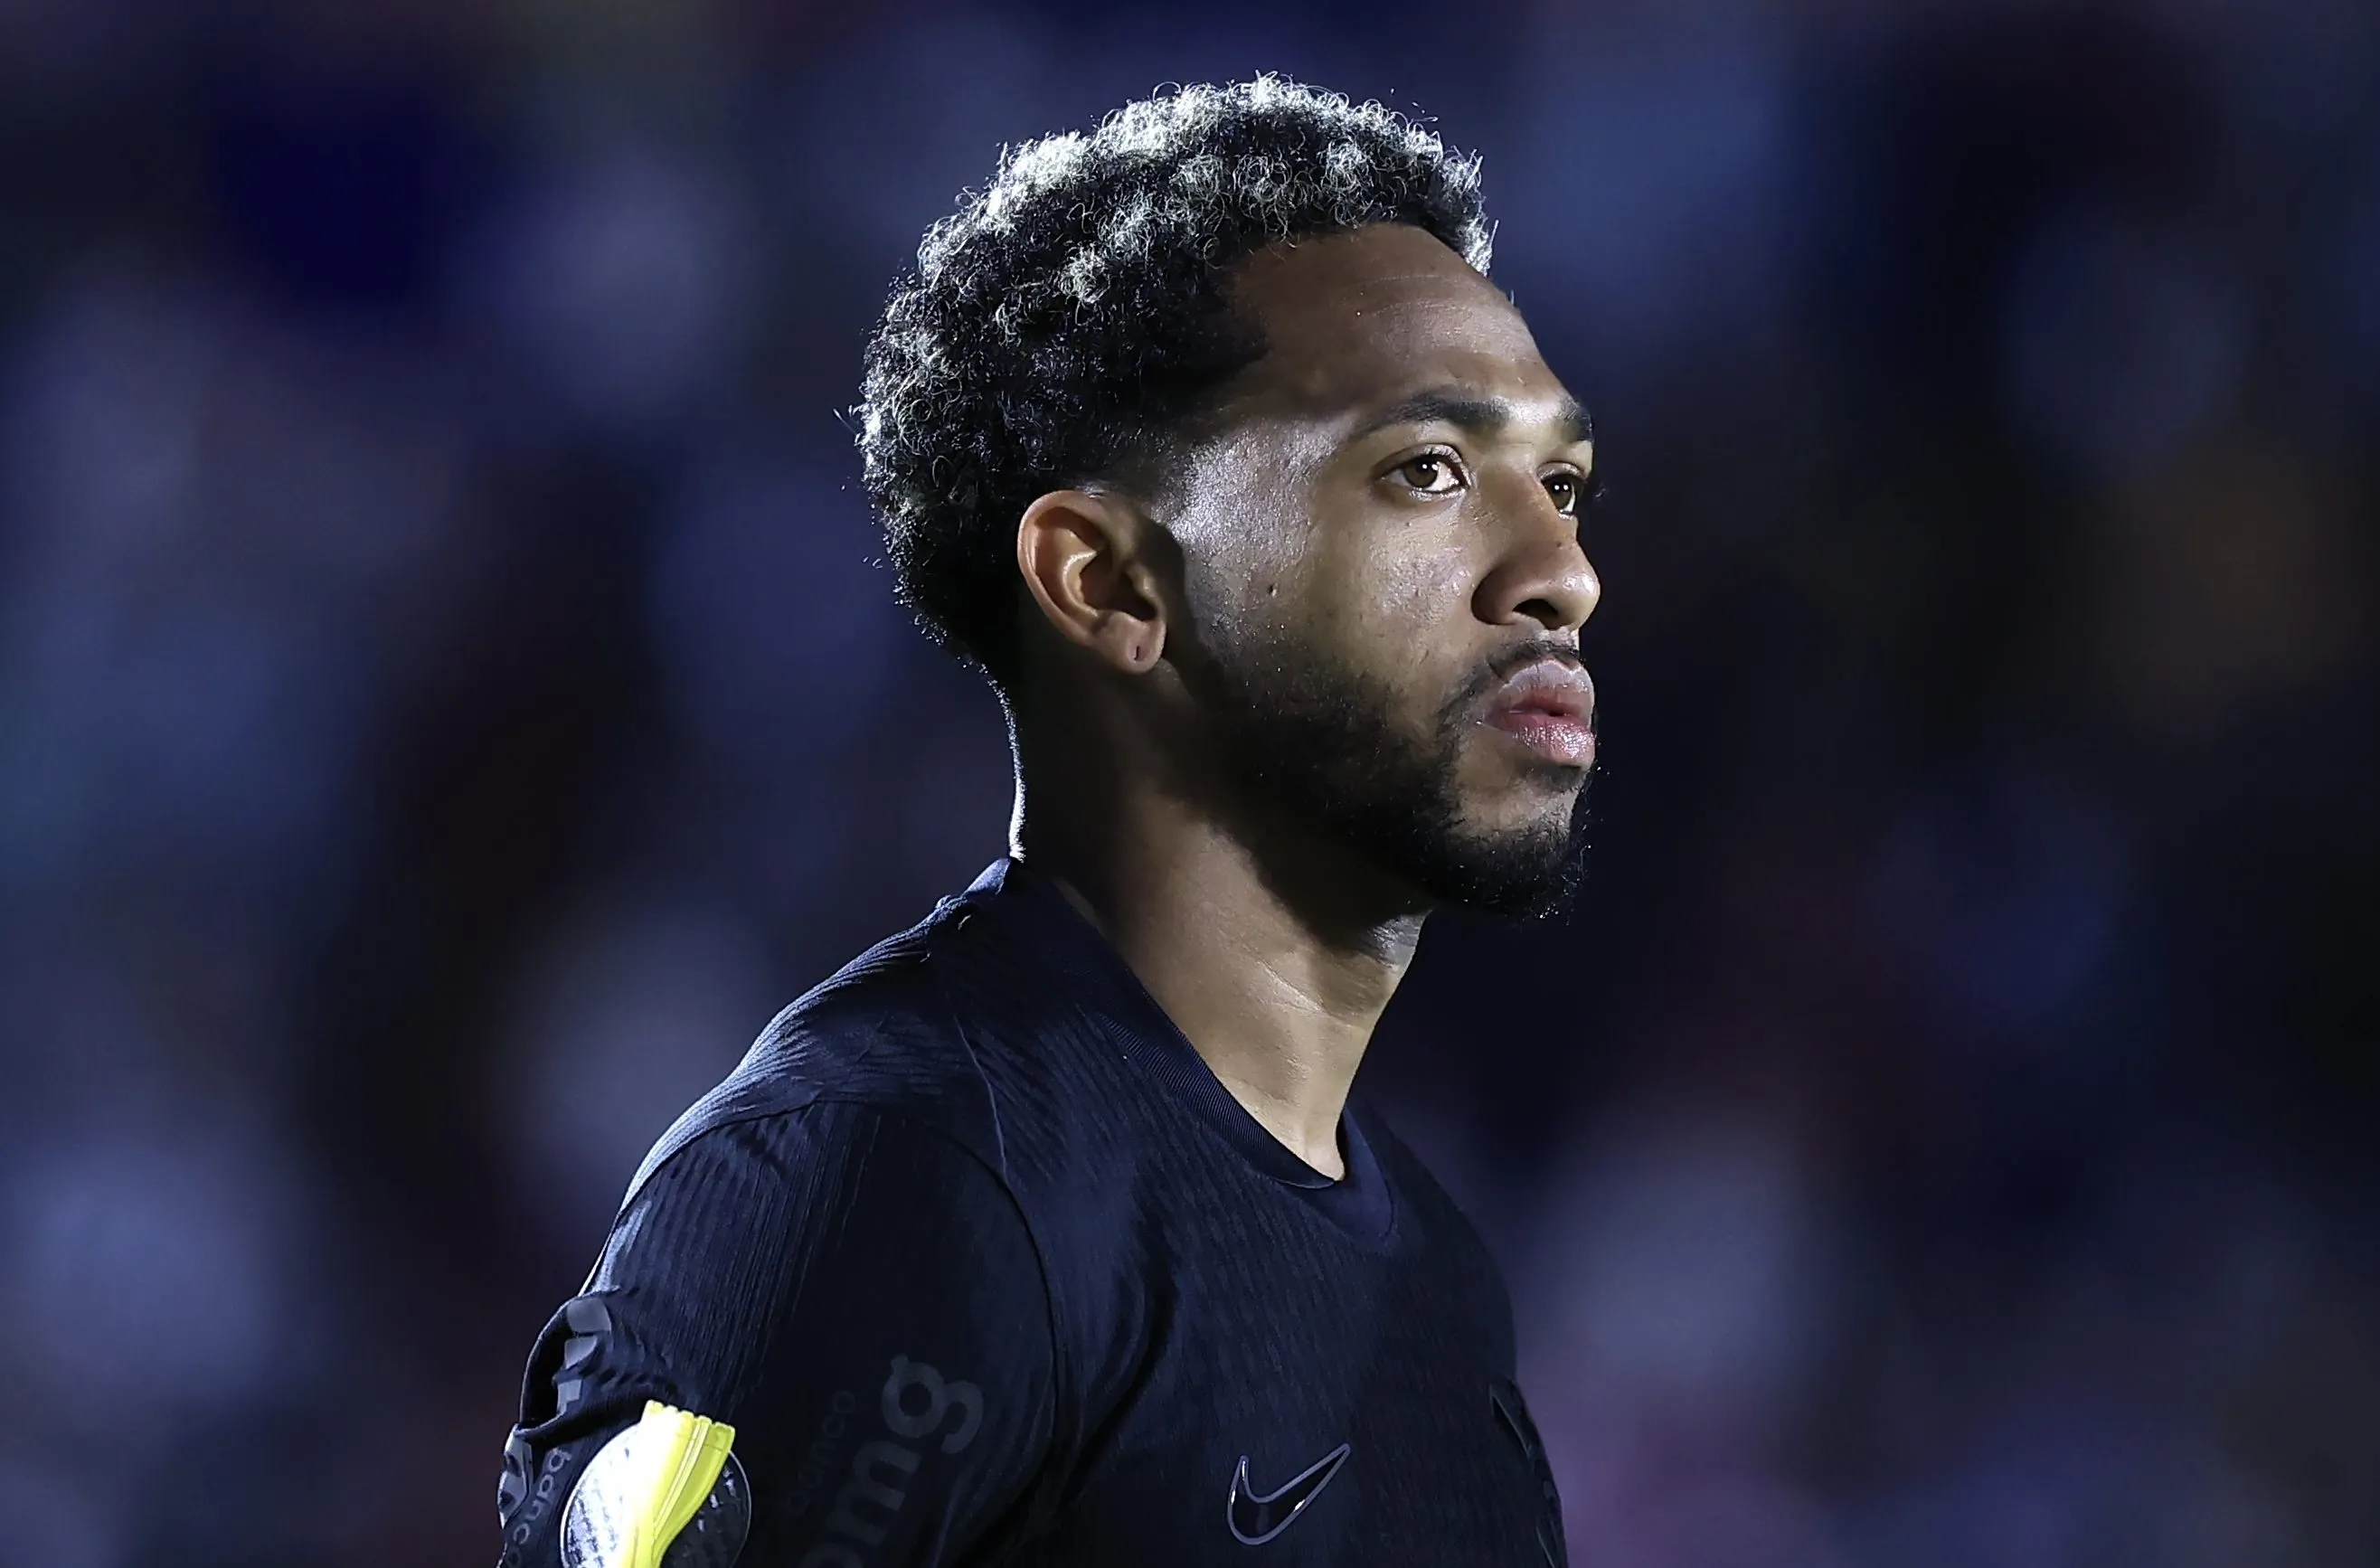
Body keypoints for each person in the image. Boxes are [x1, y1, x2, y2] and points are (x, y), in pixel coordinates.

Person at [493, 76, 1599, 1566]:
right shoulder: (896, 1177)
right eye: (1429, 471)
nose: (1559, 572)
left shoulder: (1441, 1286)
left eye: (1562, 484)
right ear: (1109, 581)